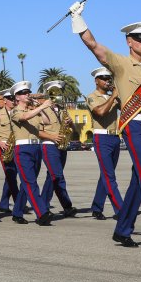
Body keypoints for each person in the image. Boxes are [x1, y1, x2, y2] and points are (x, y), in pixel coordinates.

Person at [69, 1, 141, 251]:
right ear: (129, 41)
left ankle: (122, 230)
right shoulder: (120, 64)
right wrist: (79, 20)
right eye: (139, 38)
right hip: (135, 127)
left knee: (138, 181)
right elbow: (94, 46)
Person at [9, 81, 53, 226]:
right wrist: (41, 106)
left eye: (28, 92)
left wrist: (40, 108)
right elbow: (23, 118)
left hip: (36, 148)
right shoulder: (15, 111)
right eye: (23, 93)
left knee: (26, 183)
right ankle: (42, 213)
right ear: (17, 97)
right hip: (23, 150)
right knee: (30, 182)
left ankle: (17, 212)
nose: (27, 95)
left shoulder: (32, 110)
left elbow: (47, 121)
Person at [38, 80, 79, 218]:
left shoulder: (63, 110)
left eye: (59, 93)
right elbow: (37, 131)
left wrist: (71, 124)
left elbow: (74, 133)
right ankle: (65, 206)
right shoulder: (41, 109)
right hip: (49, 146)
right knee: (57, 176)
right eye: (55, 93)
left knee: (52, 177)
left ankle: (43, 205)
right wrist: (52, 136)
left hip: (62, 146)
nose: (58, 96)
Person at [87, 67, 123, 221]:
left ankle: (96, 207)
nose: (107, 81)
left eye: (108, 78)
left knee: (106, 175)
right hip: (102, 138)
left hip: (114, 137)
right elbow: (100, 112)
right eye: (103, 78)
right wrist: (113, 97)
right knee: (110, 176)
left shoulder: (113, 97)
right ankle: (121, 210)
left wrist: (119, 95)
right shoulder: (91, 97)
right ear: (96, 80)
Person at [0, 89, 20, 215]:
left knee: (11, 176)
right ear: (4, 100)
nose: (13, 101)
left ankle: (3, 204)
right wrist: (0, 143)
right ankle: (19, 202)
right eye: (9, 98)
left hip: (17, 146)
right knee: (11, 176)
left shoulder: (18, 112)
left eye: (13, 98)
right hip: (4, 147)